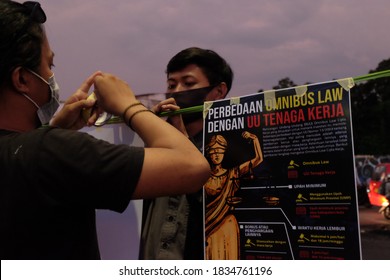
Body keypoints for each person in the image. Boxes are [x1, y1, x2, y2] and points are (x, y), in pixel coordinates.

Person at [0, 0, 210, 260]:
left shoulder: (37, 153)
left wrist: (55, 129)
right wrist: (128, 105)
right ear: (21, 79)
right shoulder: (51, 152)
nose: (53, 77)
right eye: (49, 66)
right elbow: (192, 167)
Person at [139, 47, 234, 259]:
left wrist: (183, 142)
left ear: (218, 92)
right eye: (171, 85)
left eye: (189, 84)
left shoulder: (230, 149)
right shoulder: (156, 143)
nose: (176, 92)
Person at [204, 132, 263, 259]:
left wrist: (255, 139)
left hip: (227, 224)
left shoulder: (233, 173)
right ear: (208, 153)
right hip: (209, 224)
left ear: (224, 152)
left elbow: (258, 159)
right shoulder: (204, 176)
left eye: (219, 150)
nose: (216, 154)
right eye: (213, 150)